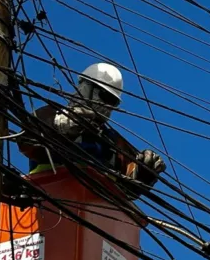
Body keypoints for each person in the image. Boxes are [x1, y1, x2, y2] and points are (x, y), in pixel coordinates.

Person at [19, 63, 167, 193]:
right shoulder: (51, 114)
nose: (107, 107)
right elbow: (27, 141)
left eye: (113, 103)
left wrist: (145, 172)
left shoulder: (110, 141)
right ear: (86, 89)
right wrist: (65, 123)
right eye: (106, 98)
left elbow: (128, 189)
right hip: (48, 200)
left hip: (93, 212)